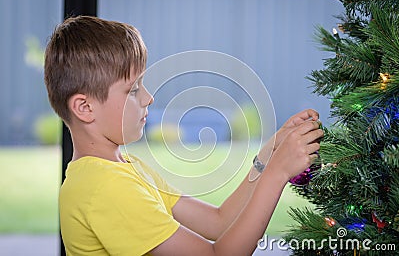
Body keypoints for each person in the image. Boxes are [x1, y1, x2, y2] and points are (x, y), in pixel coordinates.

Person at [44, 16, 323, 256]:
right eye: (133, 90)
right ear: (84, 108)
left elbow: (218, 221)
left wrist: (268, 155)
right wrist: (277, 173)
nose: (149, 98)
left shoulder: (126, 170)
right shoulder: (104, 189)